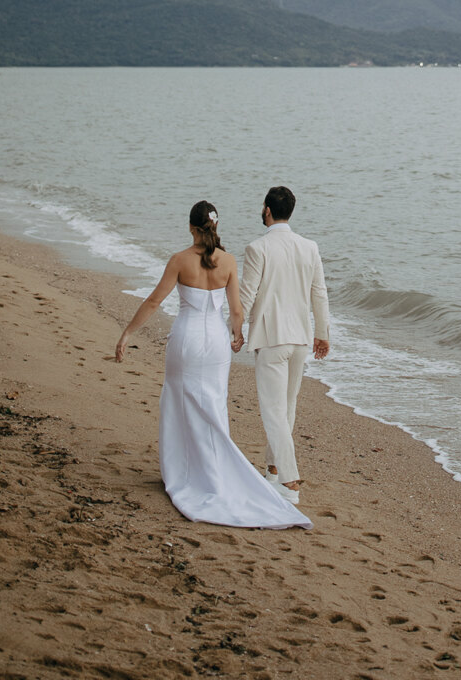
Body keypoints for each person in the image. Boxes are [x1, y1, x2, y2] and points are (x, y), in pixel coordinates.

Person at [115, 200, 310, 530]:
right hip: (216, 343)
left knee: (179, 400)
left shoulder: (180, 260)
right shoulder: (229, 261)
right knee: (214, 404)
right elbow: (236, 311)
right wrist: (237, 336)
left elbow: (153, 301)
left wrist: (127, 333)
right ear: (215, 227)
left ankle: (181, 471)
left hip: (187, 340)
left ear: (192, 227)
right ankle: (214, 470)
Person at [239, 185, 330, 505]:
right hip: (301, 339)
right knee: (287, 408)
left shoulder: (257, 248)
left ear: (267, 210)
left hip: (272, 338)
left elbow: (246, 295)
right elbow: (319, 293)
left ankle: (290, 481)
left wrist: (233, 329)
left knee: (273, 411)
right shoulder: (309, 247)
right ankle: (273, 470)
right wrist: (323, 333)